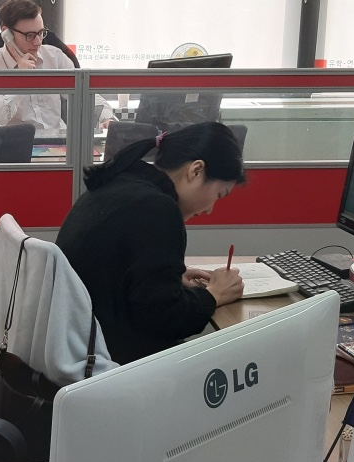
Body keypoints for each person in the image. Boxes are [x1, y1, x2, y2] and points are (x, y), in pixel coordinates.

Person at [56, 122, 247, 365]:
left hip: (77, 344)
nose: (210, 210)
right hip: (113, 361)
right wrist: (214, 294)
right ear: (196, 171)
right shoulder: (158, 209)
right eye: (219, 194)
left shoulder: (122, 182)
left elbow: (115, 266)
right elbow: (167, 319)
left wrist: (169, 276)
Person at [0, 0, 109, 133]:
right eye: (30, 35)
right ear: (7, 34)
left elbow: (83, 93)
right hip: (19, 143)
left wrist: (106, 119)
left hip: (59, 140)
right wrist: (20, 81)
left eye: (40, 33)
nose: (38, 42)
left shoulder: (54, 57)